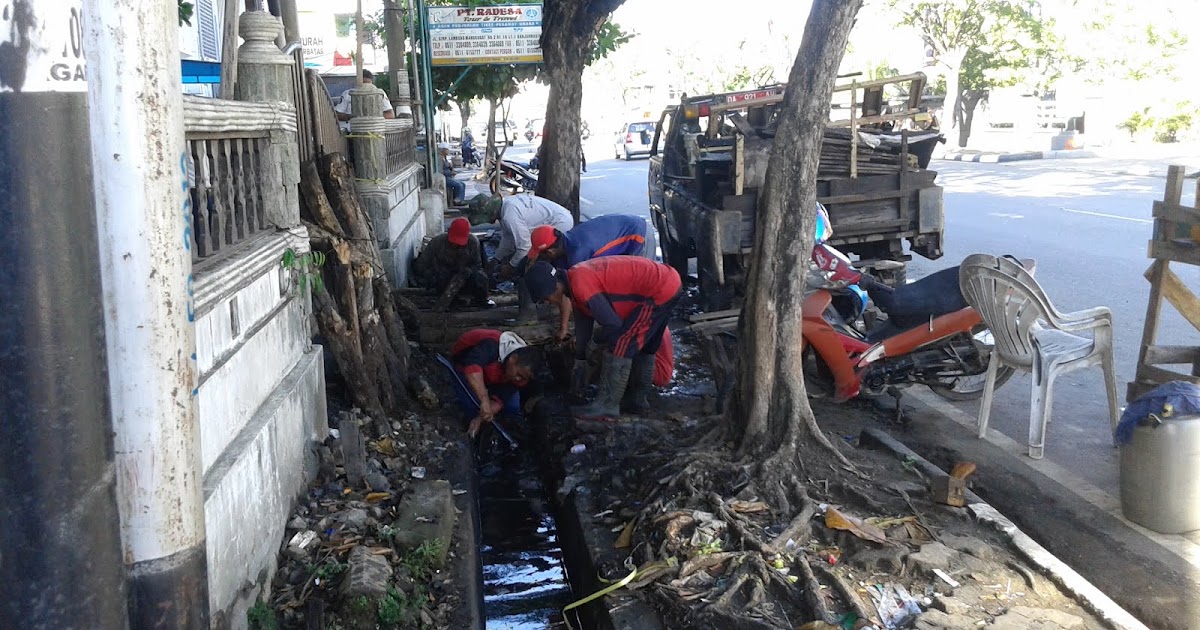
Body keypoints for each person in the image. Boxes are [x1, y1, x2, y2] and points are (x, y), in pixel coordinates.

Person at [525, 257, 682, 420]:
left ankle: (607, 406)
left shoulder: (580, 284)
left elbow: (612, 325)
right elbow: (583, 326)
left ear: (554, 287)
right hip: (667, 282)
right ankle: (637, 401)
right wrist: (580, 360)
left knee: (620, 344)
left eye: (545, 299)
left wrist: (595, 342)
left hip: (659, 288)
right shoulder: (574, 282)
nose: (548, 303)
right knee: (645, 346)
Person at [526, 214, 656, 340]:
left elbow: (570, 293)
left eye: (542, 255)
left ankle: (639, 338)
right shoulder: (564, 246)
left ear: (550, 251)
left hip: (638, 236)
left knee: (639, 295)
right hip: (622, 232)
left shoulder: (578, 254)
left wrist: (565, 328)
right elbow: (564, 288)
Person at [450, 329, 543, 437]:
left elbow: (501, 398)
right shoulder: (492, 345)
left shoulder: (520, 376)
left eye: (522, 378)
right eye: (518, 374)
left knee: (512, 406)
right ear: (513, 359)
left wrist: (481, 418)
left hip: (495, 377)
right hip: (464, 365)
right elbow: (472, 368)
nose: (518, 379)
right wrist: (484, 400)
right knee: (472, 407)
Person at [412, 218, 488, 308]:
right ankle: (450, 302)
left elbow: (478, 266)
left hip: (465, 280)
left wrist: (469, 271)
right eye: (453, 242)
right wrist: (432, 275)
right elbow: (420, 266)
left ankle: (481, 301)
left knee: (481, 277)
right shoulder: (437, 243)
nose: (455, 245)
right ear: (448, 232)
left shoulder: (473, 242)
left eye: (459, 243)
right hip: (444, 283)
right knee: (441, 277)